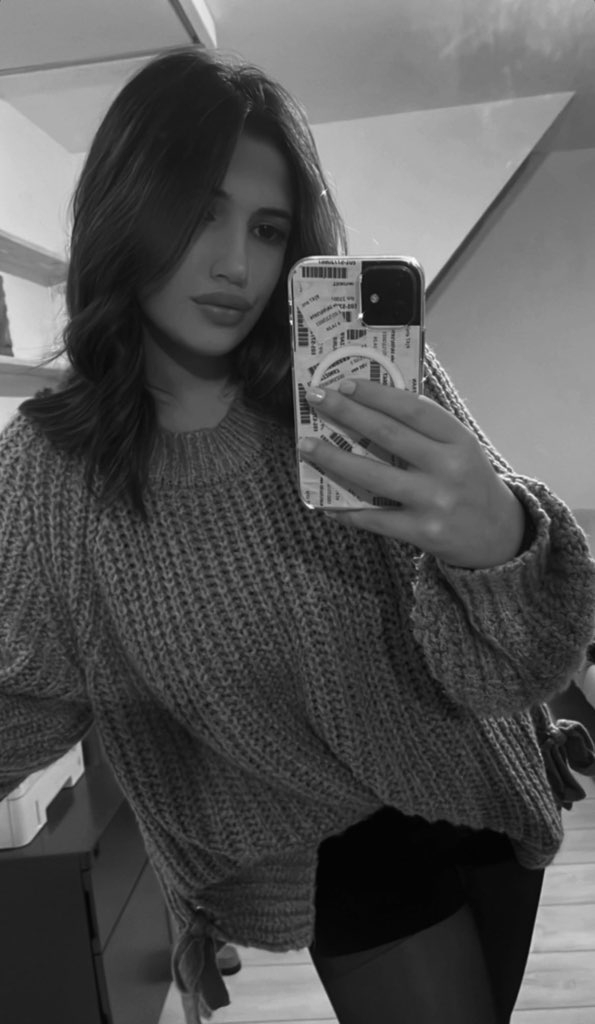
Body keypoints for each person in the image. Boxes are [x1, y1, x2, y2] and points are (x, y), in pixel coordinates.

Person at [1, 46, 594, 1024]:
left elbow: (524, 662)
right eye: (198, 213)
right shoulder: (54, 472)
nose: (236, 265)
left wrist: (500, 541)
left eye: (267, 228)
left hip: (483, 782)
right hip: (333, 852)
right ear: (125, 209)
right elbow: (20, 700)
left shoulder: (357, 381)